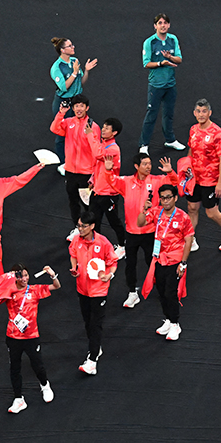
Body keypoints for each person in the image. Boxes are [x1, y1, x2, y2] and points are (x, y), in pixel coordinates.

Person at [106, 153, 178, 307]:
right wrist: (108, 170)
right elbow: (112, 181)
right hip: (131, 232)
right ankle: (132, 293)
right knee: (130, 264)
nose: (148, 166)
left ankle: (161, 290)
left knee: (153, 263)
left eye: (150, 163)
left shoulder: (157, 181)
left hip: (151, 232)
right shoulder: (126, 182)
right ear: (136, 166)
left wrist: (170, 171)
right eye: (145, 164)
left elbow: (175, 183)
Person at [137, 184, 194, 341]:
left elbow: (189, 240)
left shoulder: (183, 217)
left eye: (168, 197)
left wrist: (183, 263)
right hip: (158, 259)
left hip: (175, 260)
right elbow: (140, 223)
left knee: (170, 293)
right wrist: (144, 210)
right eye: (162, 198)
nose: (165, 201)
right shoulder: (156, 212)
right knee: (161, 292)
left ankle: (175, 323)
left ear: (175, 198)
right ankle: (168, 319)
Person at [5, 264, 61, 413]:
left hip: (31, 337)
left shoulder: (34, 290)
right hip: (13, 337)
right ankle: (18, 399)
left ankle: (45, 385)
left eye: (26, 275)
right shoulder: (8, 291)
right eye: (20, 276)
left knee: (37, 365)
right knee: (14, 368)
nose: (24, 278)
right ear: (15, 277)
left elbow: (56, 286)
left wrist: (52, 274)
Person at [69, 211, 118, 376]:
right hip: (82, 289)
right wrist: (75, 268)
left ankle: (92, 361)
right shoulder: (76, 240)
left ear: (92, 226)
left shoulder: (103, 242)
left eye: (83, 226)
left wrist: (109, 275)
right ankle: (96, 347)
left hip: (99, 291)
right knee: (87, 321)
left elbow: (113, 262)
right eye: (78, 226)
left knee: (95, 324)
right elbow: (73, 254)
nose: (80, 229)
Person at [187, 99, 221, 252]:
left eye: (204, 111)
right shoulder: (193, 130)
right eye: (199, 111)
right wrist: (186, 169)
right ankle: (191, 237)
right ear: (194, 113)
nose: (201, 114)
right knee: (192, 207)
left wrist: (220, 182)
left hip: (210, 180)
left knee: (211, 213)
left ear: (210, 113)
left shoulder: (217, 133)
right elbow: (191, 150)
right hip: (194, 178)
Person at [51, 95, 100, 241]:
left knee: (88, 205)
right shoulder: (68, 122)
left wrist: (94, 174)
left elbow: (97, 151)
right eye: (76, 106)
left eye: (81, 106)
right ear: (73, 108)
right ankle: (77, 228)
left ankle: (92, 231)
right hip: (71, 171)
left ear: (87, 108)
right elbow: (54, 128)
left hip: (86, 173)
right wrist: (61, 113)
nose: (79, 109)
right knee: (73, 202)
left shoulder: (93, 127)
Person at [49, 37, 97, 173]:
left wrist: (86, 71)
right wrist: (75, 72)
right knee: (62, 133)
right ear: (63, 50)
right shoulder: (56, 68)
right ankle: (62, 163)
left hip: (77, 100)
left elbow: (81, 82)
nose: (73, 47)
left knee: (79, 129)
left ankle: (78, 158)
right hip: (64, 102)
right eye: (70, 46)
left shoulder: (75, 61)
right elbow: (64, 87)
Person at [138, 14, 185, 153]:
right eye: (160, 23)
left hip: (170, 84)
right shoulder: (149, 42)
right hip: (156, 85)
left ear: (169, 25)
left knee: (169, 114)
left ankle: (170, 140)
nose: (163, 25)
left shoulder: (173, 39)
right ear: (155, 26)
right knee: (151, 115)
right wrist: (161, 63)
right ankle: (144, 144)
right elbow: (146, 63)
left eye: (165, 23)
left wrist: (170, 57)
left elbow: (179, 60)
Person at [85, 117, 125, 255]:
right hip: (97, 191)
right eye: (103, 127)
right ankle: (96, 246)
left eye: (107, 128)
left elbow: (97, 154)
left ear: (114, 133)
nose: (103, 129)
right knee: (94, 222)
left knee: (114, 222)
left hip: (109, 193)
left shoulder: (113, 149)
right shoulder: (104, 144)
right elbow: (99, 165)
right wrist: (92, 178)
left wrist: (90, 134)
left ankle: (122, 246)